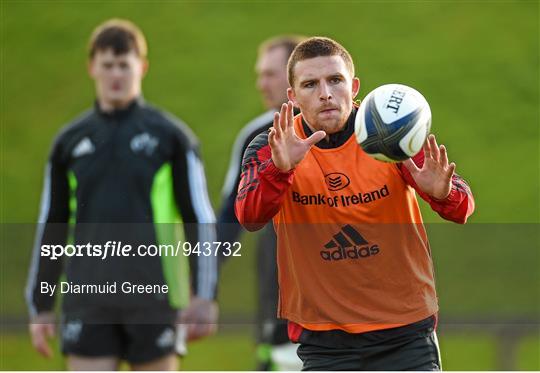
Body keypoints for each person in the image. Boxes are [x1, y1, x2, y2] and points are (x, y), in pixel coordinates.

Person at [235, 36, 475, 370]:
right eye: (310, 84)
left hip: (404, 333)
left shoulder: (390, 134)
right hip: (325, 342)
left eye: (335, 80)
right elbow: (249, 216)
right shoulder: (273, 145)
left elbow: (462, 207)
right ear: (292, 96)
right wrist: (280, 169)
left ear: (354, 85)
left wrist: (441, 193)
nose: (325, 93)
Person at [25, 19, 218, 371]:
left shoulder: (171, 137)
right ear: (92, 68)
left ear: (141, 67)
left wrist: (204, 295)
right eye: (108, 65)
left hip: (155, 297)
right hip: (87, 297)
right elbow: (51, 223)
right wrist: (40, 304)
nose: (116, 74)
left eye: (124, 65)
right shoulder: (69, 142)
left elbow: (199, 218)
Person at [218, 35, 305, 370]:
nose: (260, 83)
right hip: (280, 303)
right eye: (260, 74)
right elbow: (228, 221)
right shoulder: (257, 136)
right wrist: (199, 284)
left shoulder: (345, 129)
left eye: (269, 74)